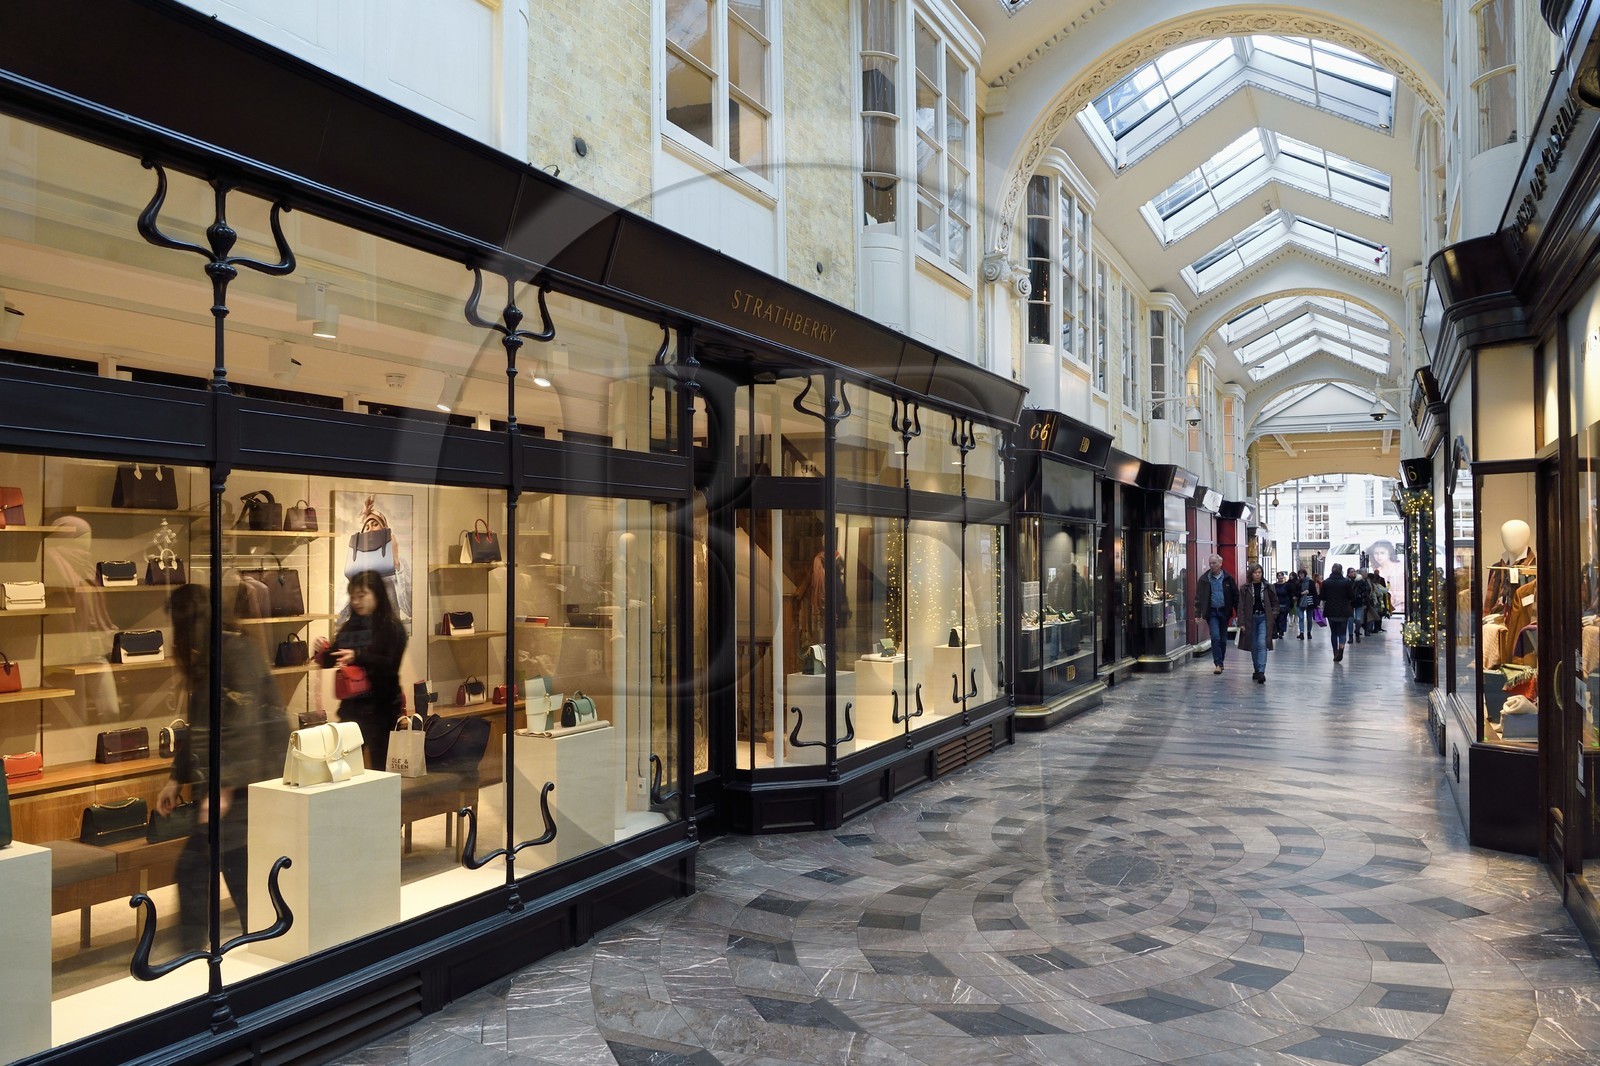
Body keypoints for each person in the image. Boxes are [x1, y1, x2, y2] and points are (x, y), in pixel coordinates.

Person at [157, 583, 290, 952]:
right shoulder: (218, 651)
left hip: (245, 783)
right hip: (232, 783)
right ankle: (257, 946)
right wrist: (176, 777)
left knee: (206, 870)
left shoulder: (233, 651)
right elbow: (201, 723)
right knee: (234, 870)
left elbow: (244, 724)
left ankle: (202, 953)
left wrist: (224, 787)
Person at [315, 569, 407, 770]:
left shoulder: (392, 627)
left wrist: (358, 657)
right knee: (345, 767)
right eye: (353, 596)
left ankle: (379, 802)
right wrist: (322, 652)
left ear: (377, 594)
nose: (356, 601)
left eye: (362, 595)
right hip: (353, 707)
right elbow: (333, 658)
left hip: (382, 707)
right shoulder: (352, 626)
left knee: (379, 768)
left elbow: (390, 665)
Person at [1192, 553, 1238, 675]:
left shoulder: (1228, 578)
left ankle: (1220, 661)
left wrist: (1238, 614)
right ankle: (1218, 663)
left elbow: (1235, 597)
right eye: (1210, 563)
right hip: (1212, 612)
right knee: (1215, 637)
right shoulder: (1204, 579)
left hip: (1224, 611)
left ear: (1220, 564)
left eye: (1214, 563)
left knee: (1223, 639)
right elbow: (1198, 598)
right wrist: (1197, 614)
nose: (1211, 565)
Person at [1236, 564, 1279, 683]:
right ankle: (1256, 667)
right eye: (1255, 572)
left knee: (1262, 643)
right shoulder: (1245, 588)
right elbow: (1241, 607)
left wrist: (1273, 615)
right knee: (1253, 645)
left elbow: (1275, 603)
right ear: (1251, 574)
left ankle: (1261, 671)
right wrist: (1242, 622)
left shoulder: (1268, 587)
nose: (1257, 575)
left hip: (1264, 618)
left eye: (1259, 572)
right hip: (1251, 619)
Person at [1319, 563, 1356, 663]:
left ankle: (1335, 653)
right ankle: (1341, 650)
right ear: (1341, 570)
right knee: (1342, 632)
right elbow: (1352, 596)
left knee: (1334, 633)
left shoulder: (1326, 582)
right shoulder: (1346, 582)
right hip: (1344, 610)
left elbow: (1322, 597)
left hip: (1331, 610)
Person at [1349, 568, 1372, 645]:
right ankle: (1350, 636)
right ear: (1348, 574)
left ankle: (1357, 632)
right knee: (1350, 620)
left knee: (1358, 619)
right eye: (1352, 572)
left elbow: (1366, 590)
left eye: (1354, 571)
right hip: (1350, 603)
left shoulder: (1361, 580)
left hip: (1359, 602)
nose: (1354, 573)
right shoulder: (1348, 581)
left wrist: (1365, 603)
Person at [1294, 568, 1315, 638]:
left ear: (1305, 574)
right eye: (1299, 574)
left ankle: (1309, 632)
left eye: (1302, 574)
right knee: (1301, 618)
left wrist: (1316, 603)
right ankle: (1302, 632)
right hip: (1300, 602)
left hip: (1309, 602)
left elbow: (1314, 592)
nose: (1301, 575)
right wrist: (1302, 593)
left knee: (1309, 619)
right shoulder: (1297, 583)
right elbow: (1296, 593)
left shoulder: (1310, 582)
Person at [1271, 571, 1292, 639]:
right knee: (1277, 618)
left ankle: (1281, 631)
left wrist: (1289, 604)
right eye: (1279, 576)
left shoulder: (1287, 585)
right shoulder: (1274, 585)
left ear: (1283, 577)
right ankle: (1277, 630)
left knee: (1282, 618)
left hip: (1284, 604)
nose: (1280, 577)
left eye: (1281, 576)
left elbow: (1289, 594)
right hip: (1276, 604)